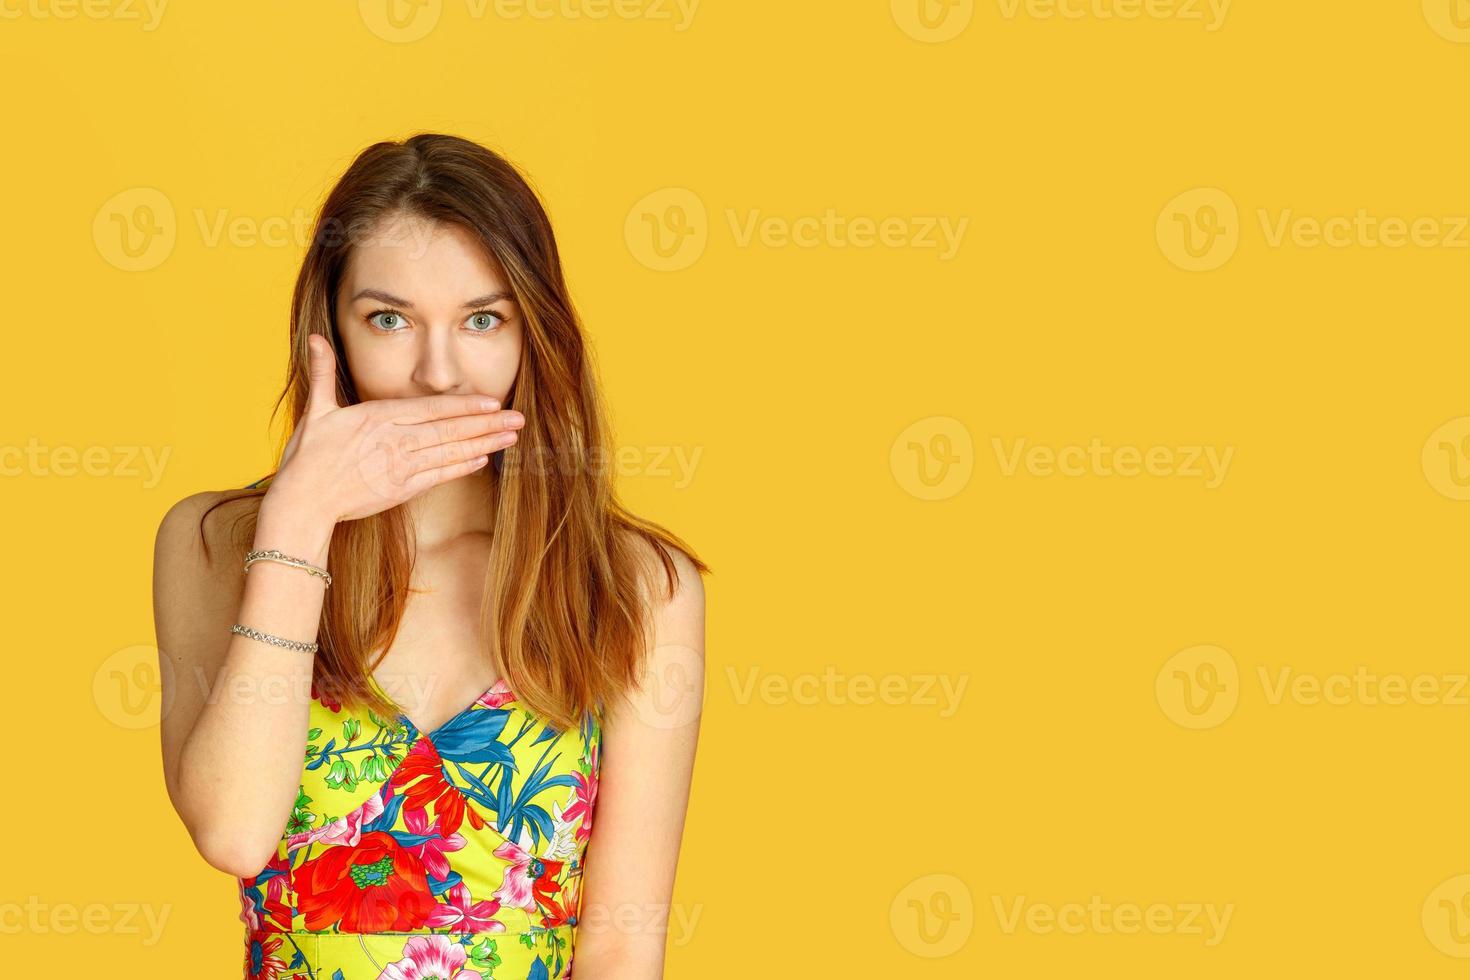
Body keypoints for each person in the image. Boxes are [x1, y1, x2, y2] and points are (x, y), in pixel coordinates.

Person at [151, 133, 708, 980]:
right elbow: (233, 830)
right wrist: (300, 520)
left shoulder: (633, 584)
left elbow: (625, 943)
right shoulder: (217, 544)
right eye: (389, 319)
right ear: (328, 332)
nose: (440, 372)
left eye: (482, 320)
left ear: (535, 334)